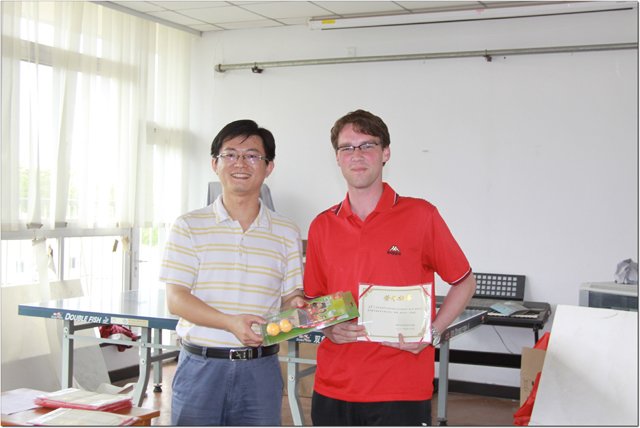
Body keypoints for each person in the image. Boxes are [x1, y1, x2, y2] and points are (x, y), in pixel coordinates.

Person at [304, 109, 477, 426]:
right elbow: (315, 300)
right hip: (333, 387)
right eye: (347, 147)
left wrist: (432, 333)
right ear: (338, 157)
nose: (357, 155)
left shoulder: (421, 215)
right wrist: (327, 328)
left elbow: (464, 281)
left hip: (401, 388)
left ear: (385, 153)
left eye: (367, 145)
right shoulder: (321, 225)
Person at [159, 119, 304, 426]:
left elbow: (291, 297)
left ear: (268, 167)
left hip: (260, 371)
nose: (240, 163)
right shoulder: (188, 226)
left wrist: (299, 307)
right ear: (215, 163)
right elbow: (176, 299)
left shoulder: (286, 231)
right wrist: (230, 323)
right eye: (230, 154)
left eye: (252, 155)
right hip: (200, 368)